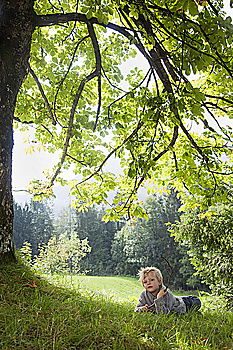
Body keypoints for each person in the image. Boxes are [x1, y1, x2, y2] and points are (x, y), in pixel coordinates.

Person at [134, 266, 201, 314]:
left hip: (184, 305)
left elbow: (163, 313)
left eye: (152, 280)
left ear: (159, 281)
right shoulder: (144, 295)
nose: (148, 283)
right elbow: (136, 309)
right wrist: (141, 309)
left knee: (196, 302)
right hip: (175, 300)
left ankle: (182, 300)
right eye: (145, 282)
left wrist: (159, 298)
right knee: (176, 299)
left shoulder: (165, 293)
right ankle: (177, 299)